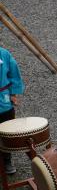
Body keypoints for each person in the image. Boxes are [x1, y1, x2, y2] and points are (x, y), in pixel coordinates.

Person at [0, 46, 25, 174]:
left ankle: (6, 159)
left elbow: (14, 74)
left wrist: (13, 93)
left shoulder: (4, 54)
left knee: (6, 132)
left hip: (3, 102)